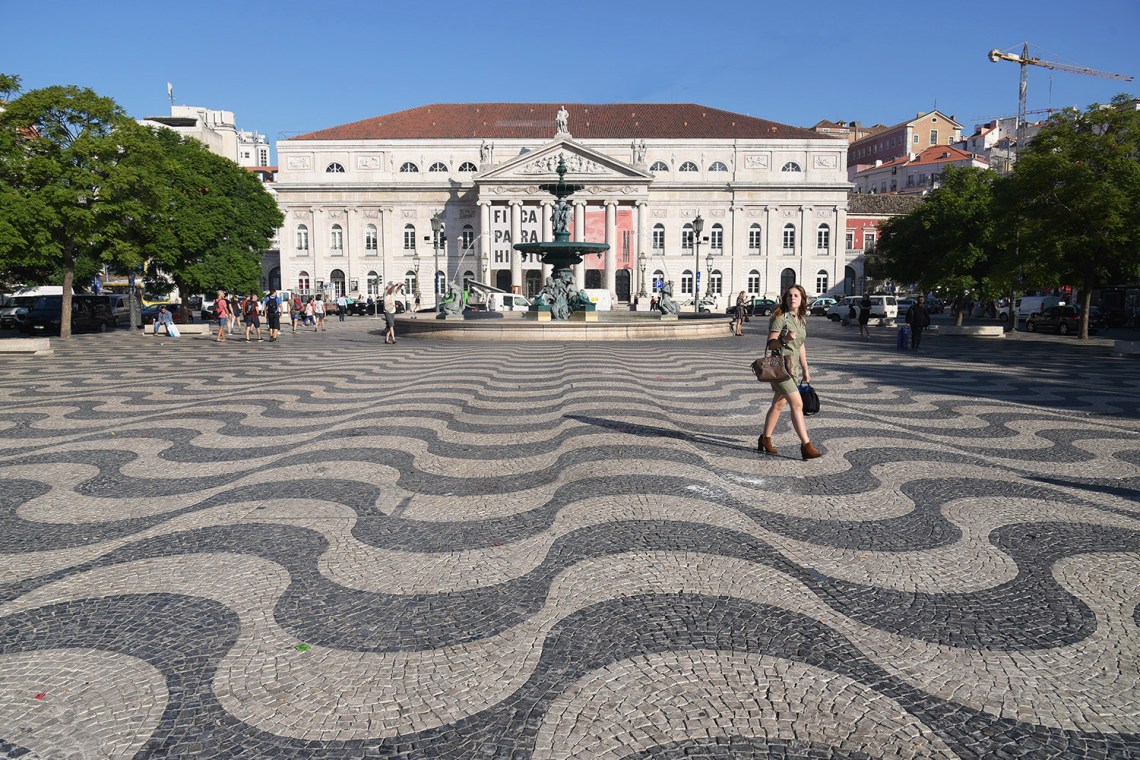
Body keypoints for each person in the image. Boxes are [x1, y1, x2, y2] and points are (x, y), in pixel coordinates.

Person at [759, 284, 821, 460]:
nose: (792, 298)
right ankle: (806, 445)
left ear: (802, 300)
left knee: (778, 405)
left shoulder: (800, 319)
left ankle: (765, 439)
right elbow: (771, 344)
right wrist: (784, 339)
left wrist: (806, 369)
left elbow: (801, 346)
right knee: (797, 404)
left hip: (793, 368)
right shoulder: (780, 317)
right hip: (781, 368)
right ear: (785, 299)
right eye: (789, 295)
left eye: (796, 296)